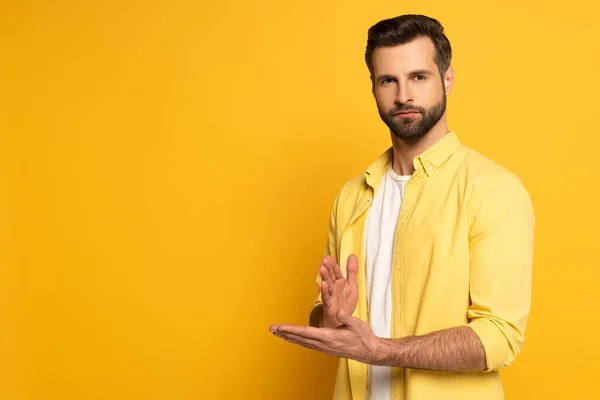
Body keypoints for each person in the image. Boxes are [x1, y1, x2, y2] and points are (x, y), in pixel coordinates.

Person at [269, 14, 535, 400]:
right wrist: (332, 317)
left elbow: (499, 336)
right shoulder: (352, 196)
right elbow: (323, 318)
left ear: (447, 79)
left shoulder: (492, 190)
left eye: (419, 77)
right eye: (388, 80)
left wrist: (380, 350)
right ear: (374, 88)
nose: (403, 95)